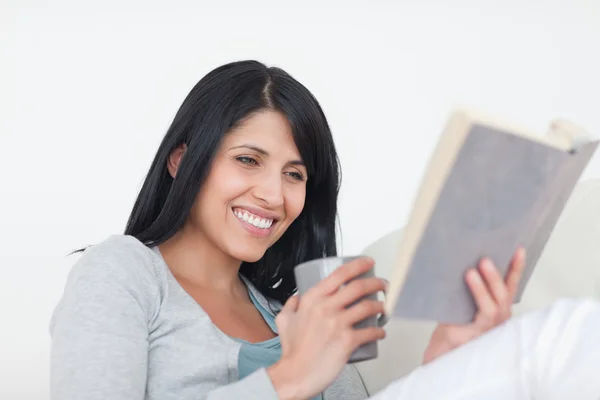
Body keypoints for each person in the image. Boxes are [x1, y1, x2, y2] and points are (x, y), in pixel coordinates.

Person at [49, 60, 600, 400]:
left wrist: (452, 357)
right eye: (247, 159)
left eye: (295, 174)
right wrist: (290, 376)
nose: (273, 194)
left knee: (533, 345)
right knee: (565, 335)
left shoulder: (287, 310)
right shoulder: (121, 271)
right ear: (181, 161)